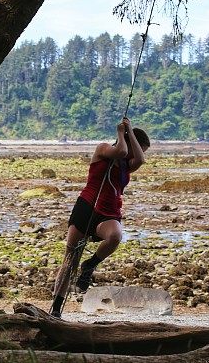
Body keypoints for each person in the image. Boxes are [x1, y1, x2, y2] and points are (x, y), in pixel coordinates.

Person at [50, 117, 150, 318]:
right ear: (130, 142)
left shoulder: (127, 165)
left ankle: (90, 264)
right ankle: (56, 307)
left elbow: (140, 160)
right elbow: (121, 151)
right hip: (86, 207)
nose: (139, 152)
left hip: (108, 212)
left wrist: (130, 130)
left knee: (115, 236)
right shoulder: (103, 149)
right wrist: (122, 133)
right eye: (138, 147)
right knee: (70, 260)